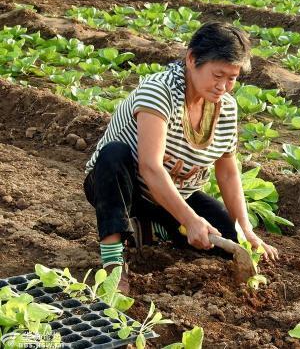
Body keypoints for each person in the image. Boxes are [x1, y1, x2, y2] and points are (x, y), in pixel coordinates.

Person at [83, 22, 279, 293]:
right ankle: (114, 263)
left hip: (175, 194)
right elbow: (150, 167)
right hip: (125, 188)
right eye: (218, 75)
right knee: (113, 154)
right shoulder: (159, 91)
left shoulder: (226, 108)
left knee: (225, 237)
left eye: (232, 78)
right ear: (191, 59)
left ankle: (149, 231)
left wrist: (245, 229)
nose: (223, 86)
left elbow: (228, 172)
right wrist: (189, 220)